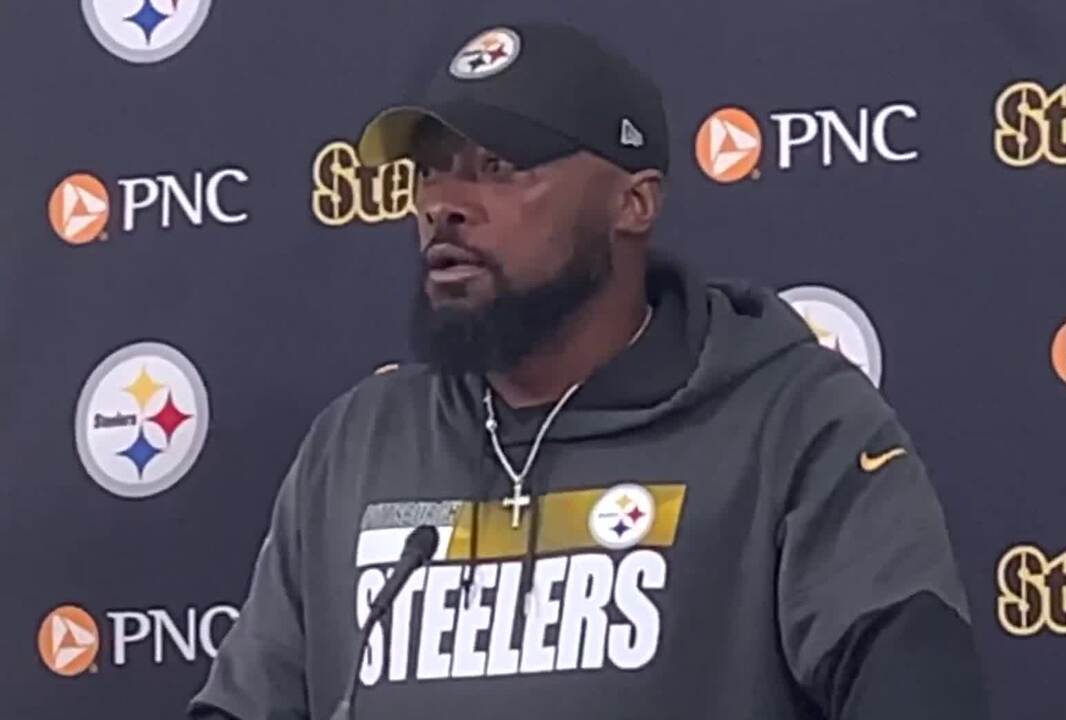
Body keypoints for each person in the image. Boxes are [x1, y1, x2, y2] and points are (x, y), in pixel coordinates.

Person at [189, 20, 988, 720]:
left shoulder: (789, 421)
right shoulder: (357, 446)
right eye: (432, 170)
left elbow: (916, 680)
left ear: (633, 203)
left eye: (498, 167)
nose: (444, 203)